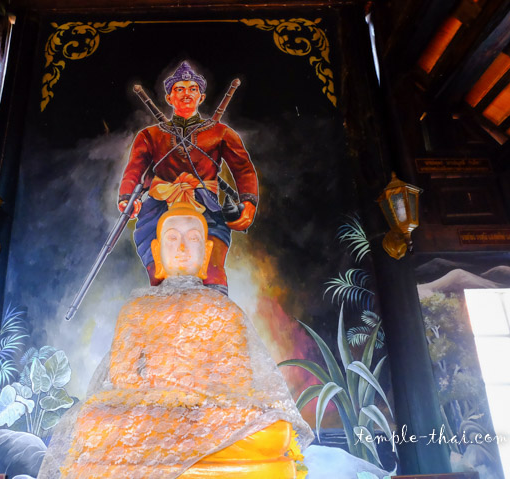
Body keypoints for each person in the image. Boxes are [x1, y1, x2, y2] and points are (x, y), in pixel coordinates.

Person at [38, 203, 312, 479]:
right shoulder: (138, 308)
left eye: (192, 239)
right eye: (172, 239)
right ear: (157, 252)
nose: (182, 248)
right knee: (93, 422)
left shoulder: (224, 310)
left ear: (206, 253)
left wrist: (197, 396)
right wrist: (167, 396)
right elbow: (123, 375)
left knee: (272, 431)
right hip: (155, 410)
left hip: (206, 412)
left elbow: (237, 380)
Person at [118, 61, 258, 296]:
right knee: (158, 268)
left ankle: (216, 310)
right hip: (160, 205)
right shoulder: (149, 135)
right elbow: (134, 170)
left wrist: (249, 202)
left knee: (212, 268)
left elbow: (243, 168)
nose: (187, 94)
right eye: (180, 89)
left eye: (193, 89)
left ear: (201, 97)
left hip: (206, 203)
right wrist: (126, 198)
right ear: (169, 97)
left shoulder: (221, 133)